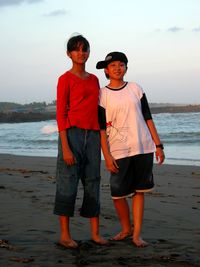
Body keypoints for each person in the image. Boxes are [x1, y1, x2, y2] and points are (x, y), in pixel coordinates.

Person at [97, 51, 165, 247]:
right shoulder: (102, 94)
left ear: (126, 67)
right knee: (117, 194)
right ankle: (125, 228)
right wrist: (106, 155)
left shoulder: (136, 88)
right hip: (118, 150)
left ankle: (136, 234)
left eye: (121, 64)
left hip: (143, 147)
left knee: (139, 191)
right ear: (107, 70)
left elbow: (148, 117)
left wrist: (158, 145)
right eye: (113, 65)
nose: (118, 68)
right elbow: (101, 128)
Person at [54, 34, 108, 249]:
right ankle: (65, 235)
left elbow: (100, 109)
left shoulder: (94, 79)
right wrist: (66, 148)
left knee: (93, 181)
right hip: (72, 135)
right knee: (68, 182)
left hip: (93, 136)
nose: (81, 53)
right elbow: (60, 115)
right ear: (69, 54)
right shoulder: (64, 79)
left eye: (84, 49)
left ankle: (95, 234)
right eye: (76, 49)